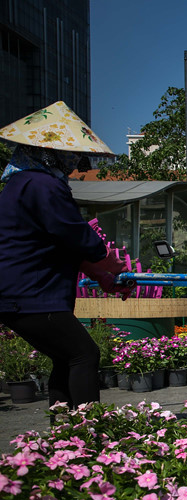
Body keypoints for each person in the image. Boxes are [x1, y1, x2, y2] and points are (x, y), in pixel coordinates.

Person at [0, 101, 130, 407]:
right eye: (69, 154)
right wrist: (113, 265)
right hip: (31, 293)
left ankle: (63, 439)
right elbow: (78, 236)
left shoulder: (23, 183)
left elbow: (63, 243)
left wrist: (104, 277)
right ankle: (88, 433)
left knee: (65, 357)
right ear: (48, 151)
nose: (75, 161)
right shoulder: (42, 185)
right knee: (84, 354)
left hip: (27, 293)